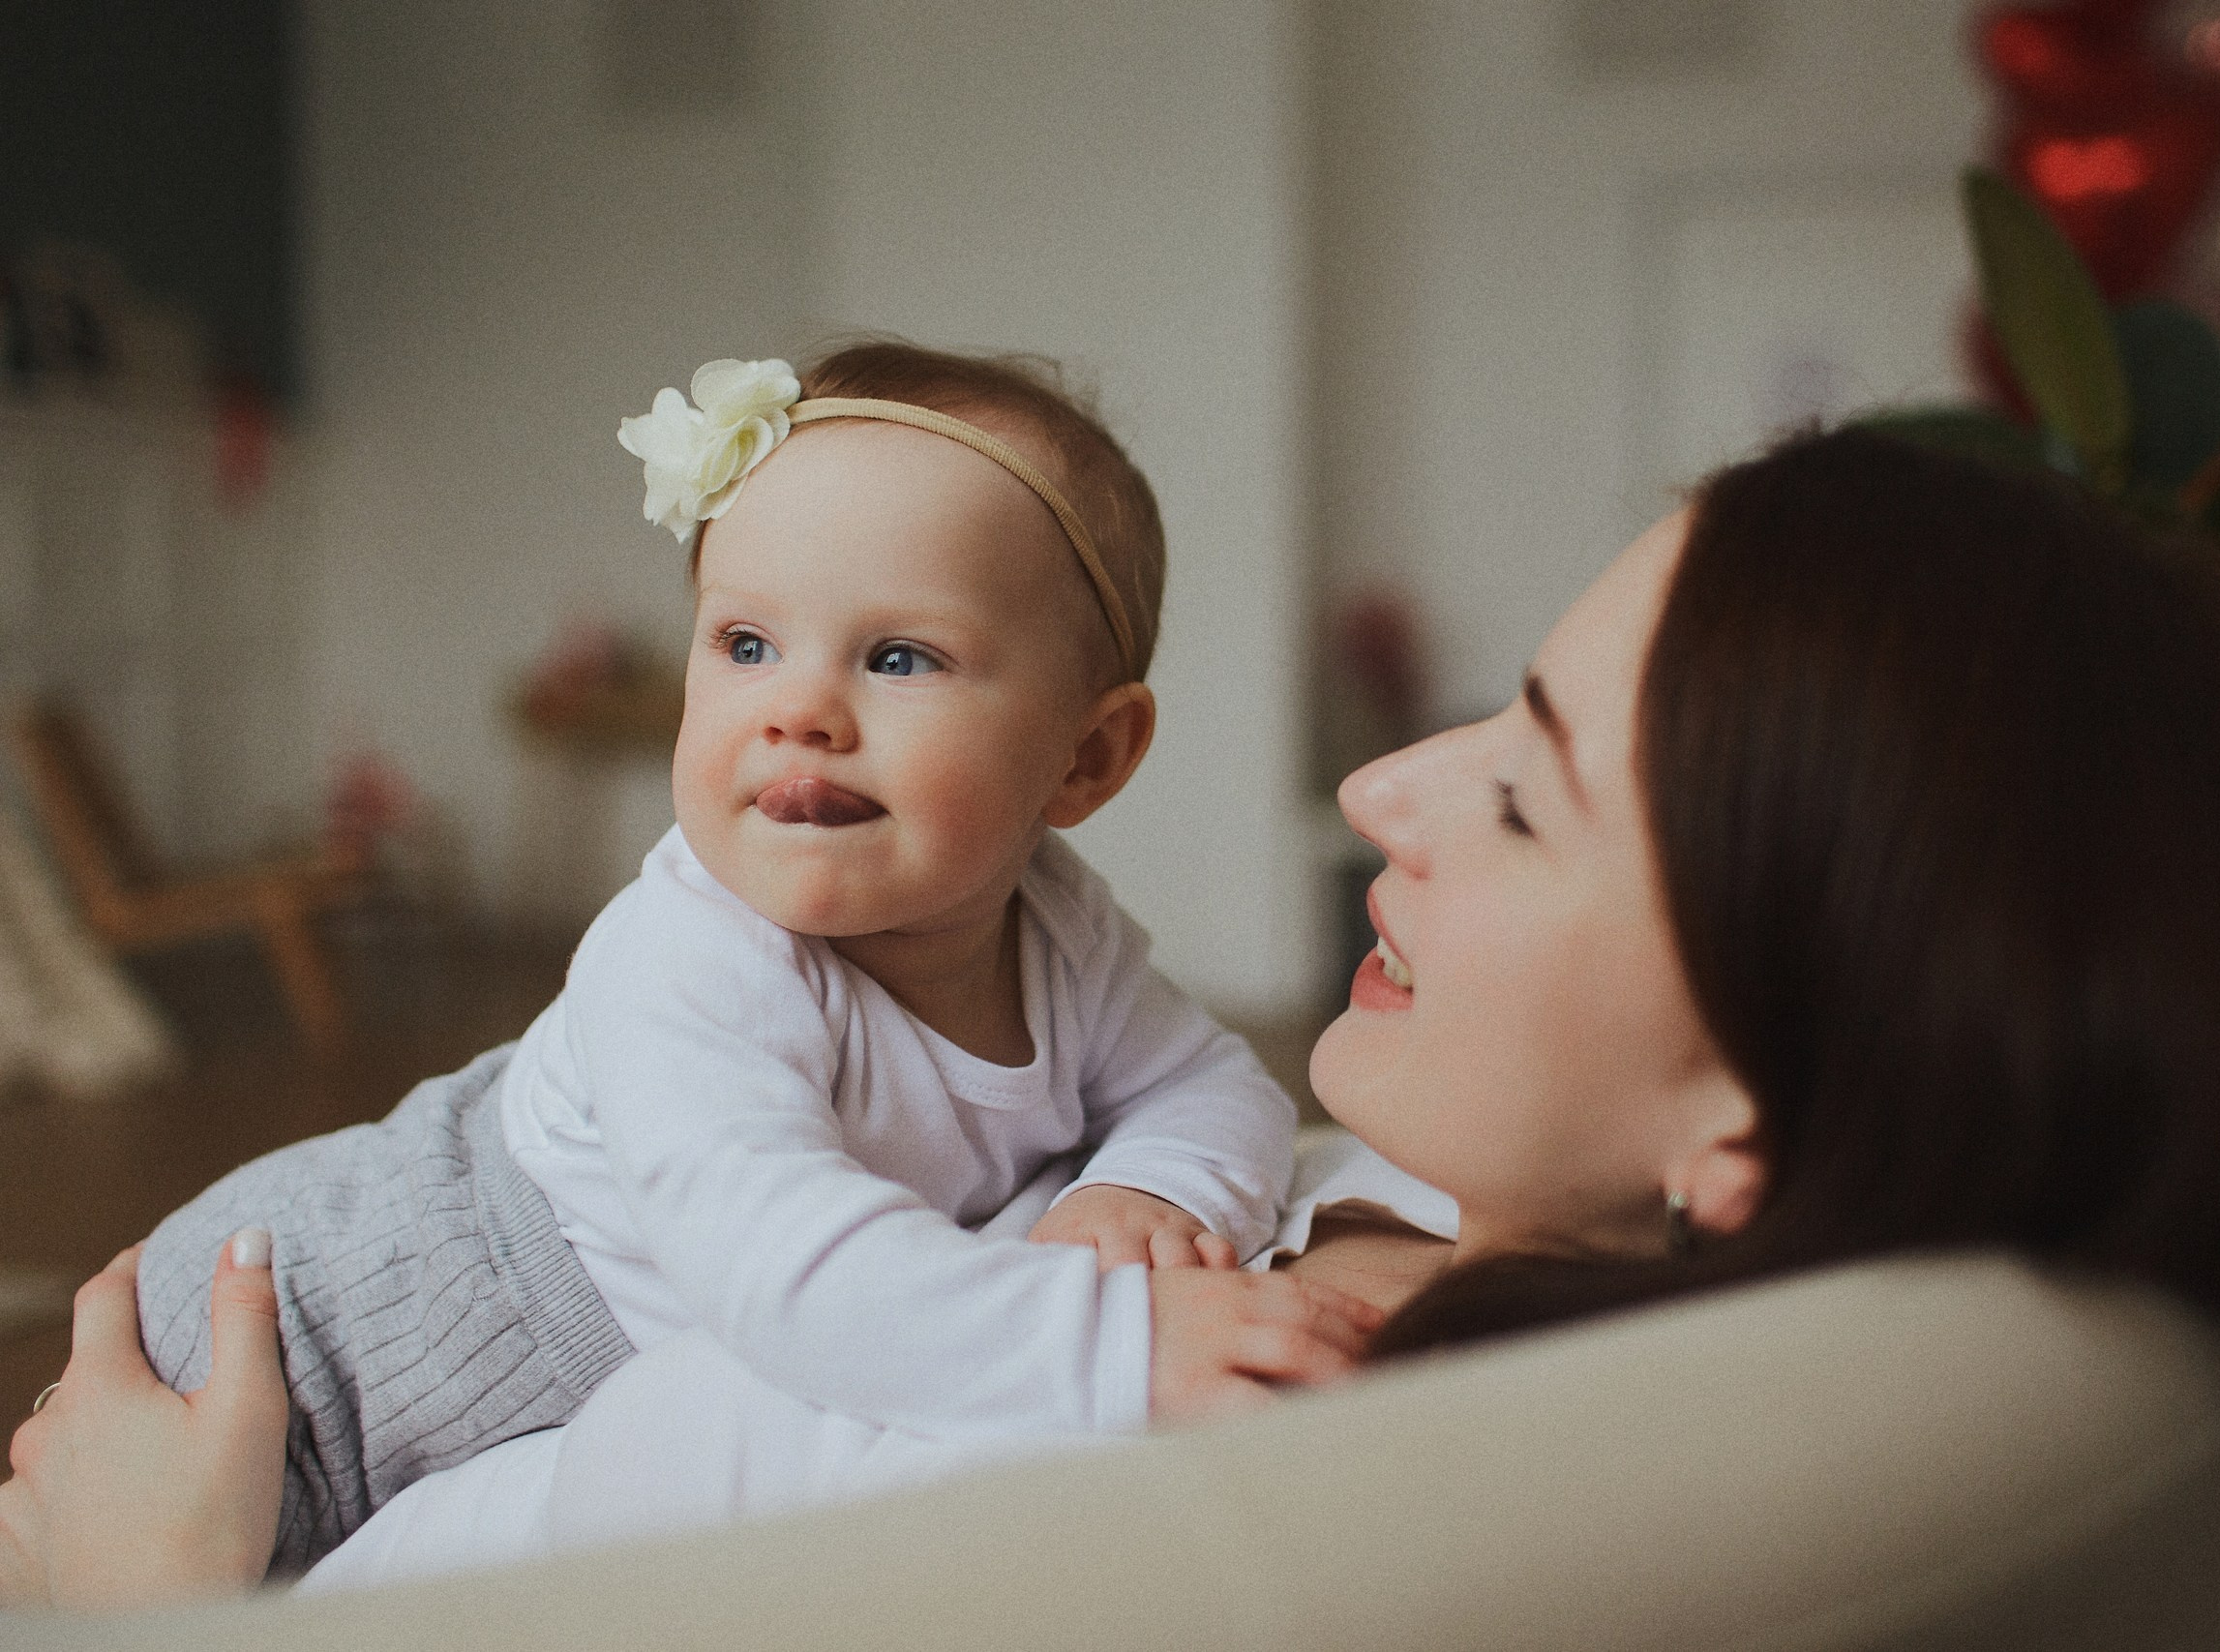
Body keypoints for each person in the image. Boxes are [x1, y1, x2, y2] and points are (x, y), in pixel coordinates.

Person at [9, 425, 2220, 1611]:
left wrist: (141, 1608)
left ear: (1756, 1101)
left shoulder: (1243, 1457)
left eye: (1521, 792)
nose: (1379, 782)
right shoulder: (1391, 1257)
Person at [120, 342, 1334, 1576]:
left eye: (899, 657)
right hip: (306, 1355)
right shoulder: (687, 954)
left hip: (529, 1430)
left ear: (1087, 758)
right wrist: (1115, 1345)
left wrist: (1154, 1193)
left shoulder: (1063, 936)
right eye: (746, 644)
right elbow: (798, 1280)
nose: (795, 708)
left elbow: (1218, 1089)